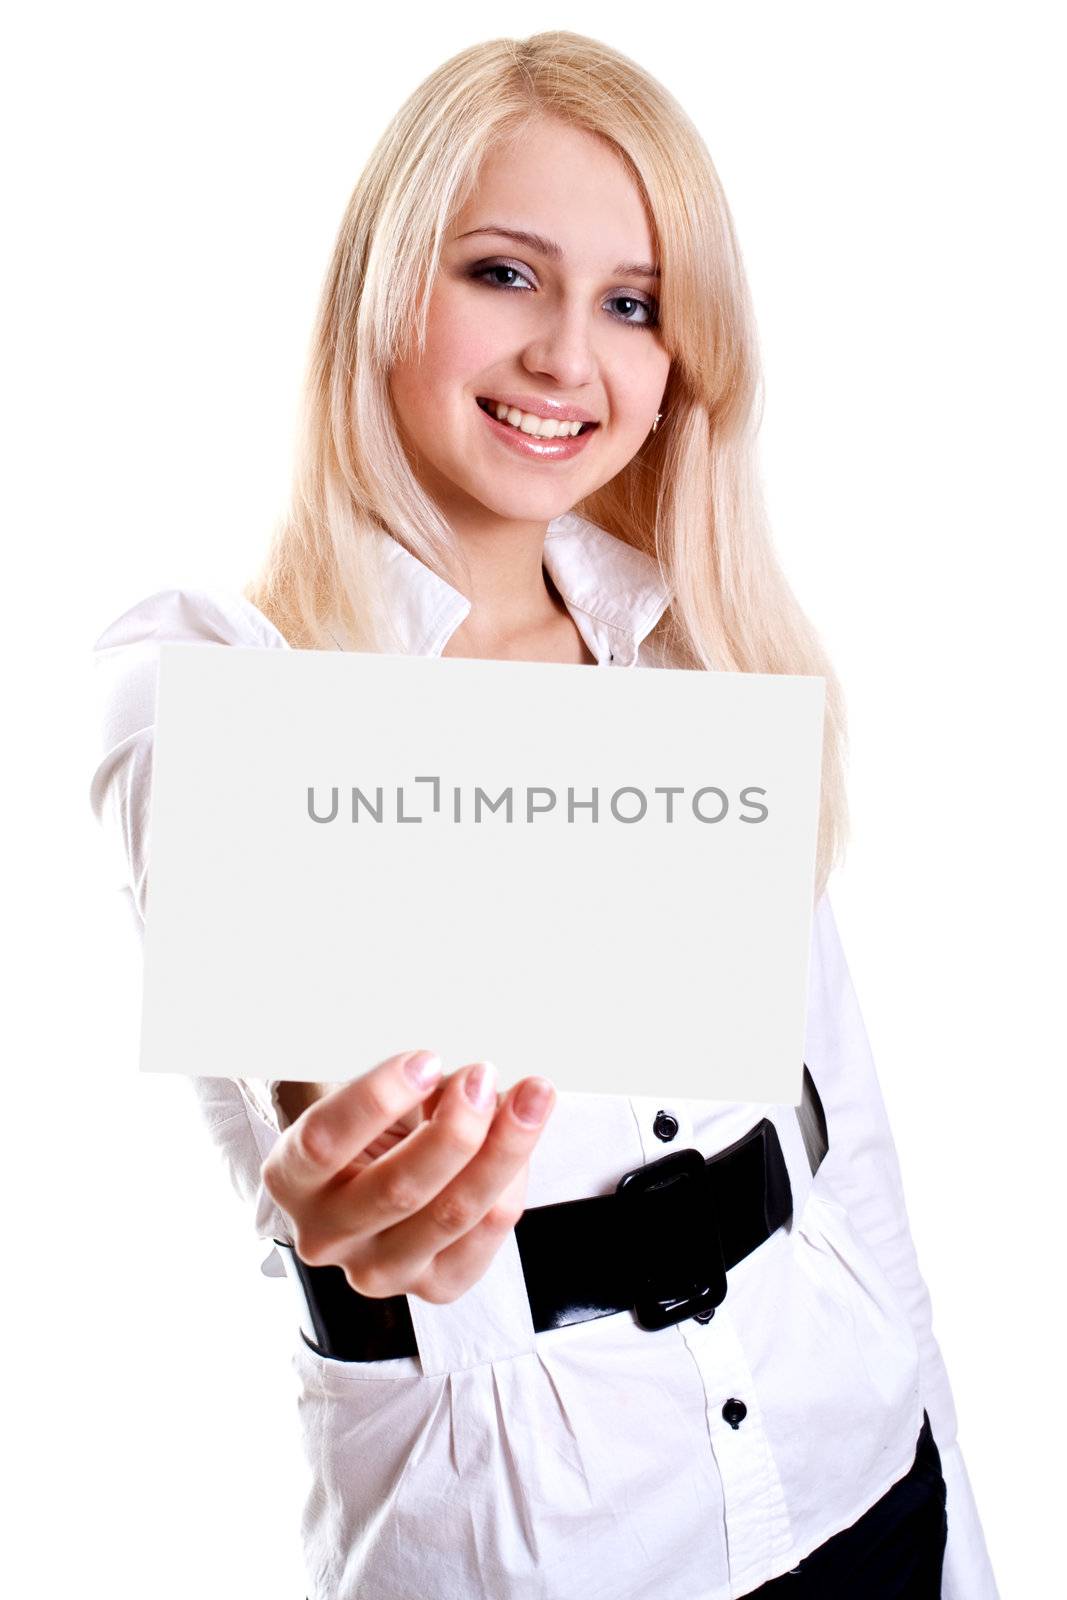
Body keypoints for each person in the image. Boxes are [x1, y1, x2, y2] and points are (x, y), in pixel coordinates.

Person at [88, 29, 999, 1600]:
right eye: (506, 274)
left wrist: (966, 1541)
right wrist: (356, 1199)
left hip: (854, 1478)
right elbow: (309, 1076)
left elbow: (845, 1143)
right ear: (387, 284)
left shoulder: (702, 653)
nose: (570, 356)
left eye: (634, 305)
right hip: (542, 1561)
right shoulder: (208, 676)